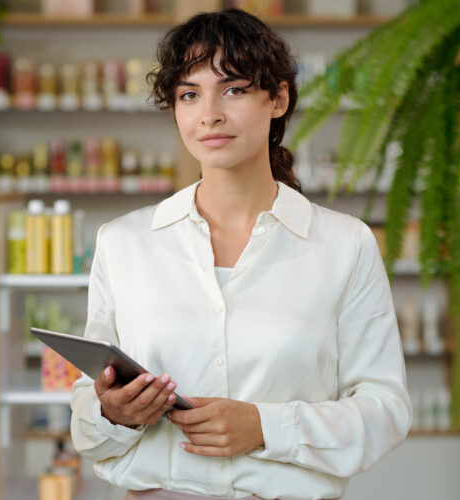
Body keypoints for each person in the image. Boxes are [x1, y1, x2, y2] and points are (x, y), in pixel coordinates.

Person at [70, 8, 411, 500]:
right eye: (189, 94)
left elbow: (385, 410)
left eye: (232, 89)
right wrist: (112, 413)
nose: (209, 113)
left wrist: (265, 425)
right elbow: (87, 414)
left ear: (278, 99)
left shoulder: (345, 244)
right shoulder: (124, 243)